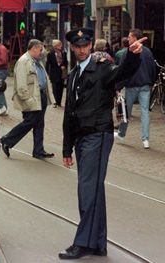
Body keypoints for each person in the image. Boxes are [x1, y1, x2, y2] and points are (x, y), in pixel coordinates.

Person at [59, 28, 145, 260]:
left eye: (85, 45)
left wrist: (133, 55)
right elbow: (69, 113)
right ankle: (97, 243)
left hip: (98, 135)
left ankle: (83, 243)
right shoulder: (74, 74)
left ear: (90, 45)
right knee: (94, 190)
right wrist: (67, 148)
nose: (82, 49)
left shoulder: (103, 68)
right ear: (72, 47)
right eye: (77, 46)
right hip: (81, 138)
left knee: (87, 189)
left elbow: (123, 72)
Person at [0, 39, 55, 159]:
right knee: (30, 121)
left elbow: (44, 78)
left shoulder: (37, 61)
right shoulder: (24, 61)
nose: (42, 52)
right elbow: (21, 85)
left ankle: (38, 150)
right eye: (40, 49)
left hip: (40, 96)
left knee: (39, 124)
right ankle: (7, 139)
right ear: (34, 48)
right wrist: (28, 100)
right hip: (32, 98)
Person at [115, 29, 157, 149]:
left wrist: (119, 86)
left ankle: (122, 134)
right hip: (144, 85)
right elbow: (153, 68)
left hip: (132, 85)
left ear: (135, 38)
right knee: (145, 112)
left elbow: (122, 70)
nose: (128, 39)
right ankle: (145, 139)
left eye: (129, 37)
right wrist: (151, 81)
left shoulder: (126, 52)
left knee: (126, 112)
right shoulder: (148, 52)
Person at [46, 39, 68, 108]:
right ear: (55, 46)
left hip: (61, 73)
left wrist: (64, 66)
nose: (60, 46)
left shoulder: (64, 53)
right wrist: (47, 73)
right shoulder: (50, 54)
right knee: (55, 88)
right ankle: (55, 102)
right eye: (59, 45)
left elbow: (66, 62)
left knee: (61, 88)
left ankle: (59, 102)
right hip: (54, 73)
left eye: (60, 45)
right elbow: (48, 64)